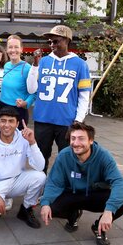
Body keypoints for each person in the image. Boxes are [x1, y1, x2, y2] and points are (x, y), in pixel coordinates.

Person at [40, 122, 123, 245]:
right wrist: (45, 202)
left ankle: (99, 227)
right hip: (73, 193)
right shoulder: (64, 156)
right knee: (51, 207)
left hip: (94, 193)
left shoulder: (104, 156)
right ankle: (73, 215)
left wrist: (109, 211)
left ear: (91, 140)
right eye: (73, 138)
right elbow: (54, 182)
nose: (76, 143)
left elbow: (119, 182)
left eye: (81, 138)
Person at [27, 25, 92, 173]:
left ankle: (65, 189)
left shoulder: (80, 64)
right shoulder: (43, 61)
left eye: (56, 41)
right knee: (40, 157)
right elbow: (31, 89)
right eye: (50, 42)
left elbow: (84, 94)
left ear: (66, 40)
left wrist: (79, 119)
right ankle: (40, 188)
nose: (52, 45)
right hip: (43, 119)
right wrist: (35, 65)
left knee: (68, 158)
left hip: (66, 120)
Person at [0, 106, 45, 228]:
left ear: (17, 123)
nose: (6, 125)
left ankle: (26, 209)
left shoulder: (24, 139)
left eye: (11, 121)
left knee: (40, 177)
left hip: (17, 179)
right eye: (3, 121)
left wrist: (32, 142)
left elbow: (40, 166)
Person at [0, 35, 36, 130]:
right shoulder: (6, 65)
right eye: (10, 47)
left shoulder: (27, 68)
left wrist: (26, 103)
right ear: (7, 49)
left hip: (18, 110)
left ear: (21, 49)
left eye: (16, 47)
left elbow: (35, 91)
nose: (13, 50)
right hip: (2, 108)